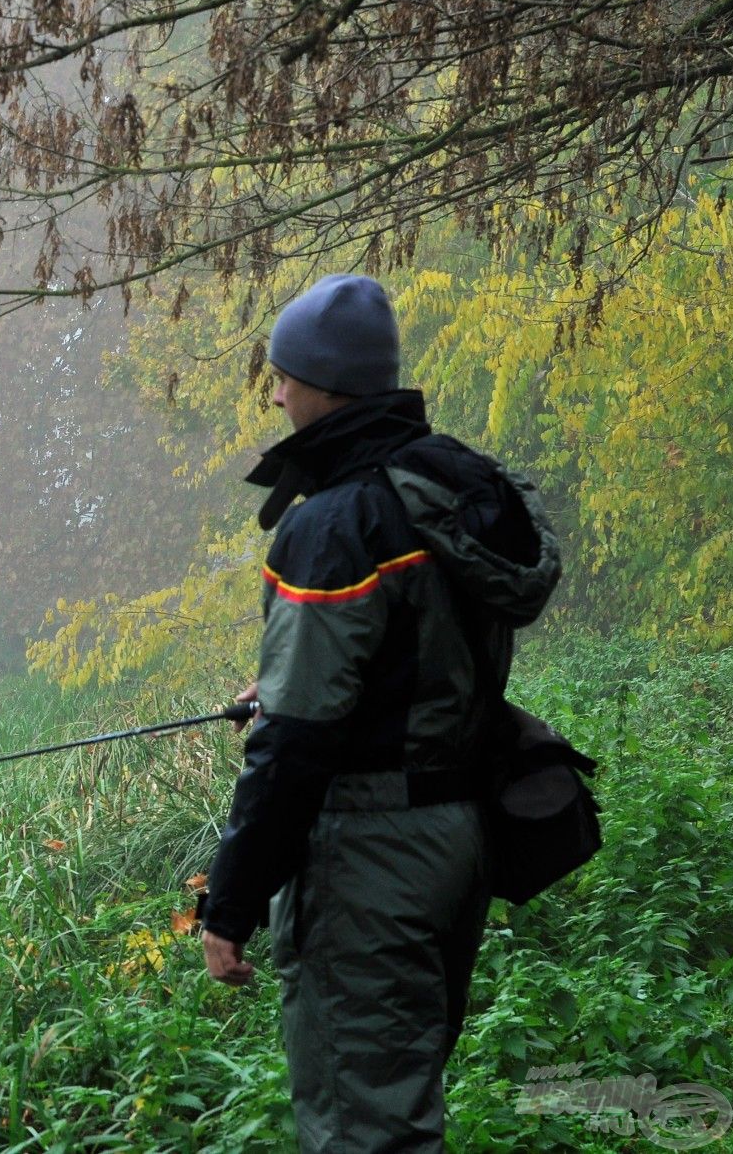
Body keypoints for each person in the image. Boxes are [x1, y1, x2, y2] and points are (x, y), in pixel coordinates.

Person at [195, 274, 561, 1152]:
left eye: (285, 375)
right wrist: (291, 686)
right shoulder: (452, 485)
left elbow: (292, 745)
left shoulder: (334, 524)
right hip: (455, 840)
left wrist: (229, 903)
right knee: (401, 1096)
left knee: (366, 1126)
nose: (276, 391)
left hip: (368, 863)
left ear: (328, 384)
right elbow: (415, 666)